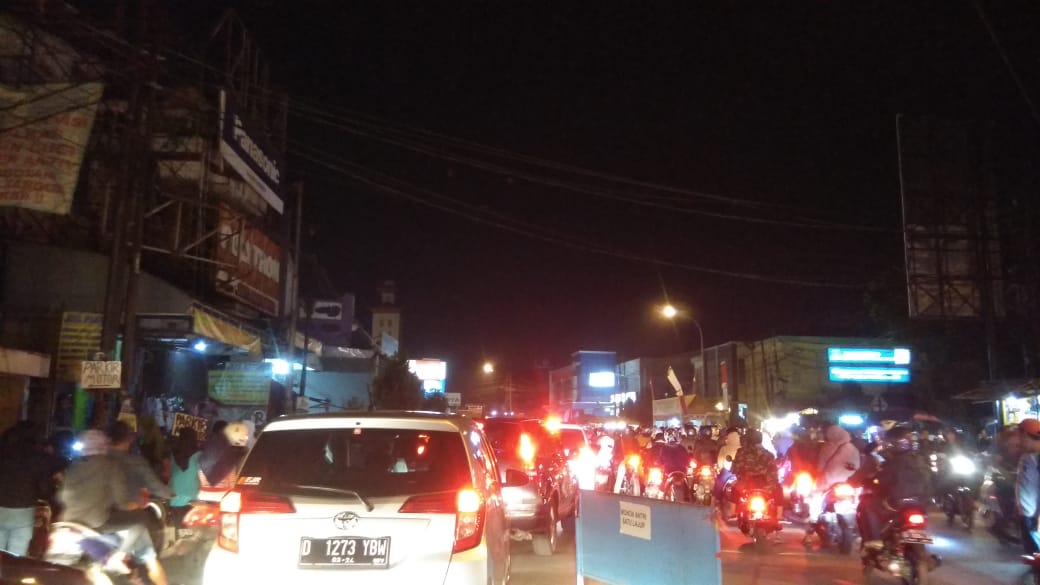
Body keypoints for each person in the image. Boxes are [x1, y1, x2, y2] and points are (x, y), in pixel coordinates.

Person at [59, 430, 169, 585]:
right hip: (98, 523)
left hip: (71, 523)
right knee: (141, 527)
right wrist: (137, 505)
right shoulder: (113, 464)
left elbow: (63, 496)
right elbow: (122, 502)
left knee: (95, 568)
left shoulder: (74, 466)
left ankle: (126, 568)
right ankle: (121, 556)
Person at [859, 426, 932, 550]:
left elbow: (884, 481)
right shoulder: (920, 458)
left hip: (897, 501)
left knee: (867, 504)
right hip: (920, 501)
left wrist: (871, 482)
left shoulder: (894, 461)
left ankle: (874, 540)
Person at [0, 422, 48, 556]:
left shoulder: (2, 453)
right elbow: (45, 488)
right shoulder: (37, 457)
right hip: (23, 511)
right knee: (16, 557)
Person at [108, 422, 174, 502]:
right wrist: (171, 494)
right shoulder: (137, 463)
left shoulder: (99, 458)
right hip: (129, 506)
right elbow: (156, 487)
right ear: (130, 438)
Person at [730, 428, 783, 521]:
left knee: (734, 488)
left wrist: (740, 478)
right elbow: (774, 472)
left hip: (746, 483)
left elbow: (736, 468)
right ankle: (779, 515)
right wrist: (771, 483)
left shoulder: (741, 452)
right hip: (766, 484)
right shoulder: (769, 454)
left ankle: (732, 513)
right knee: (778, 489)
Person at [1016, 418, 1040, 555]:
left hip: (1034, 517)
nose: (1019, 441)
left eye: (1020, 437)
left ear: (1026, 435)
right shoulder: (1027, 456)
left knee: (1034, 554)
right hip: (1027, 514)